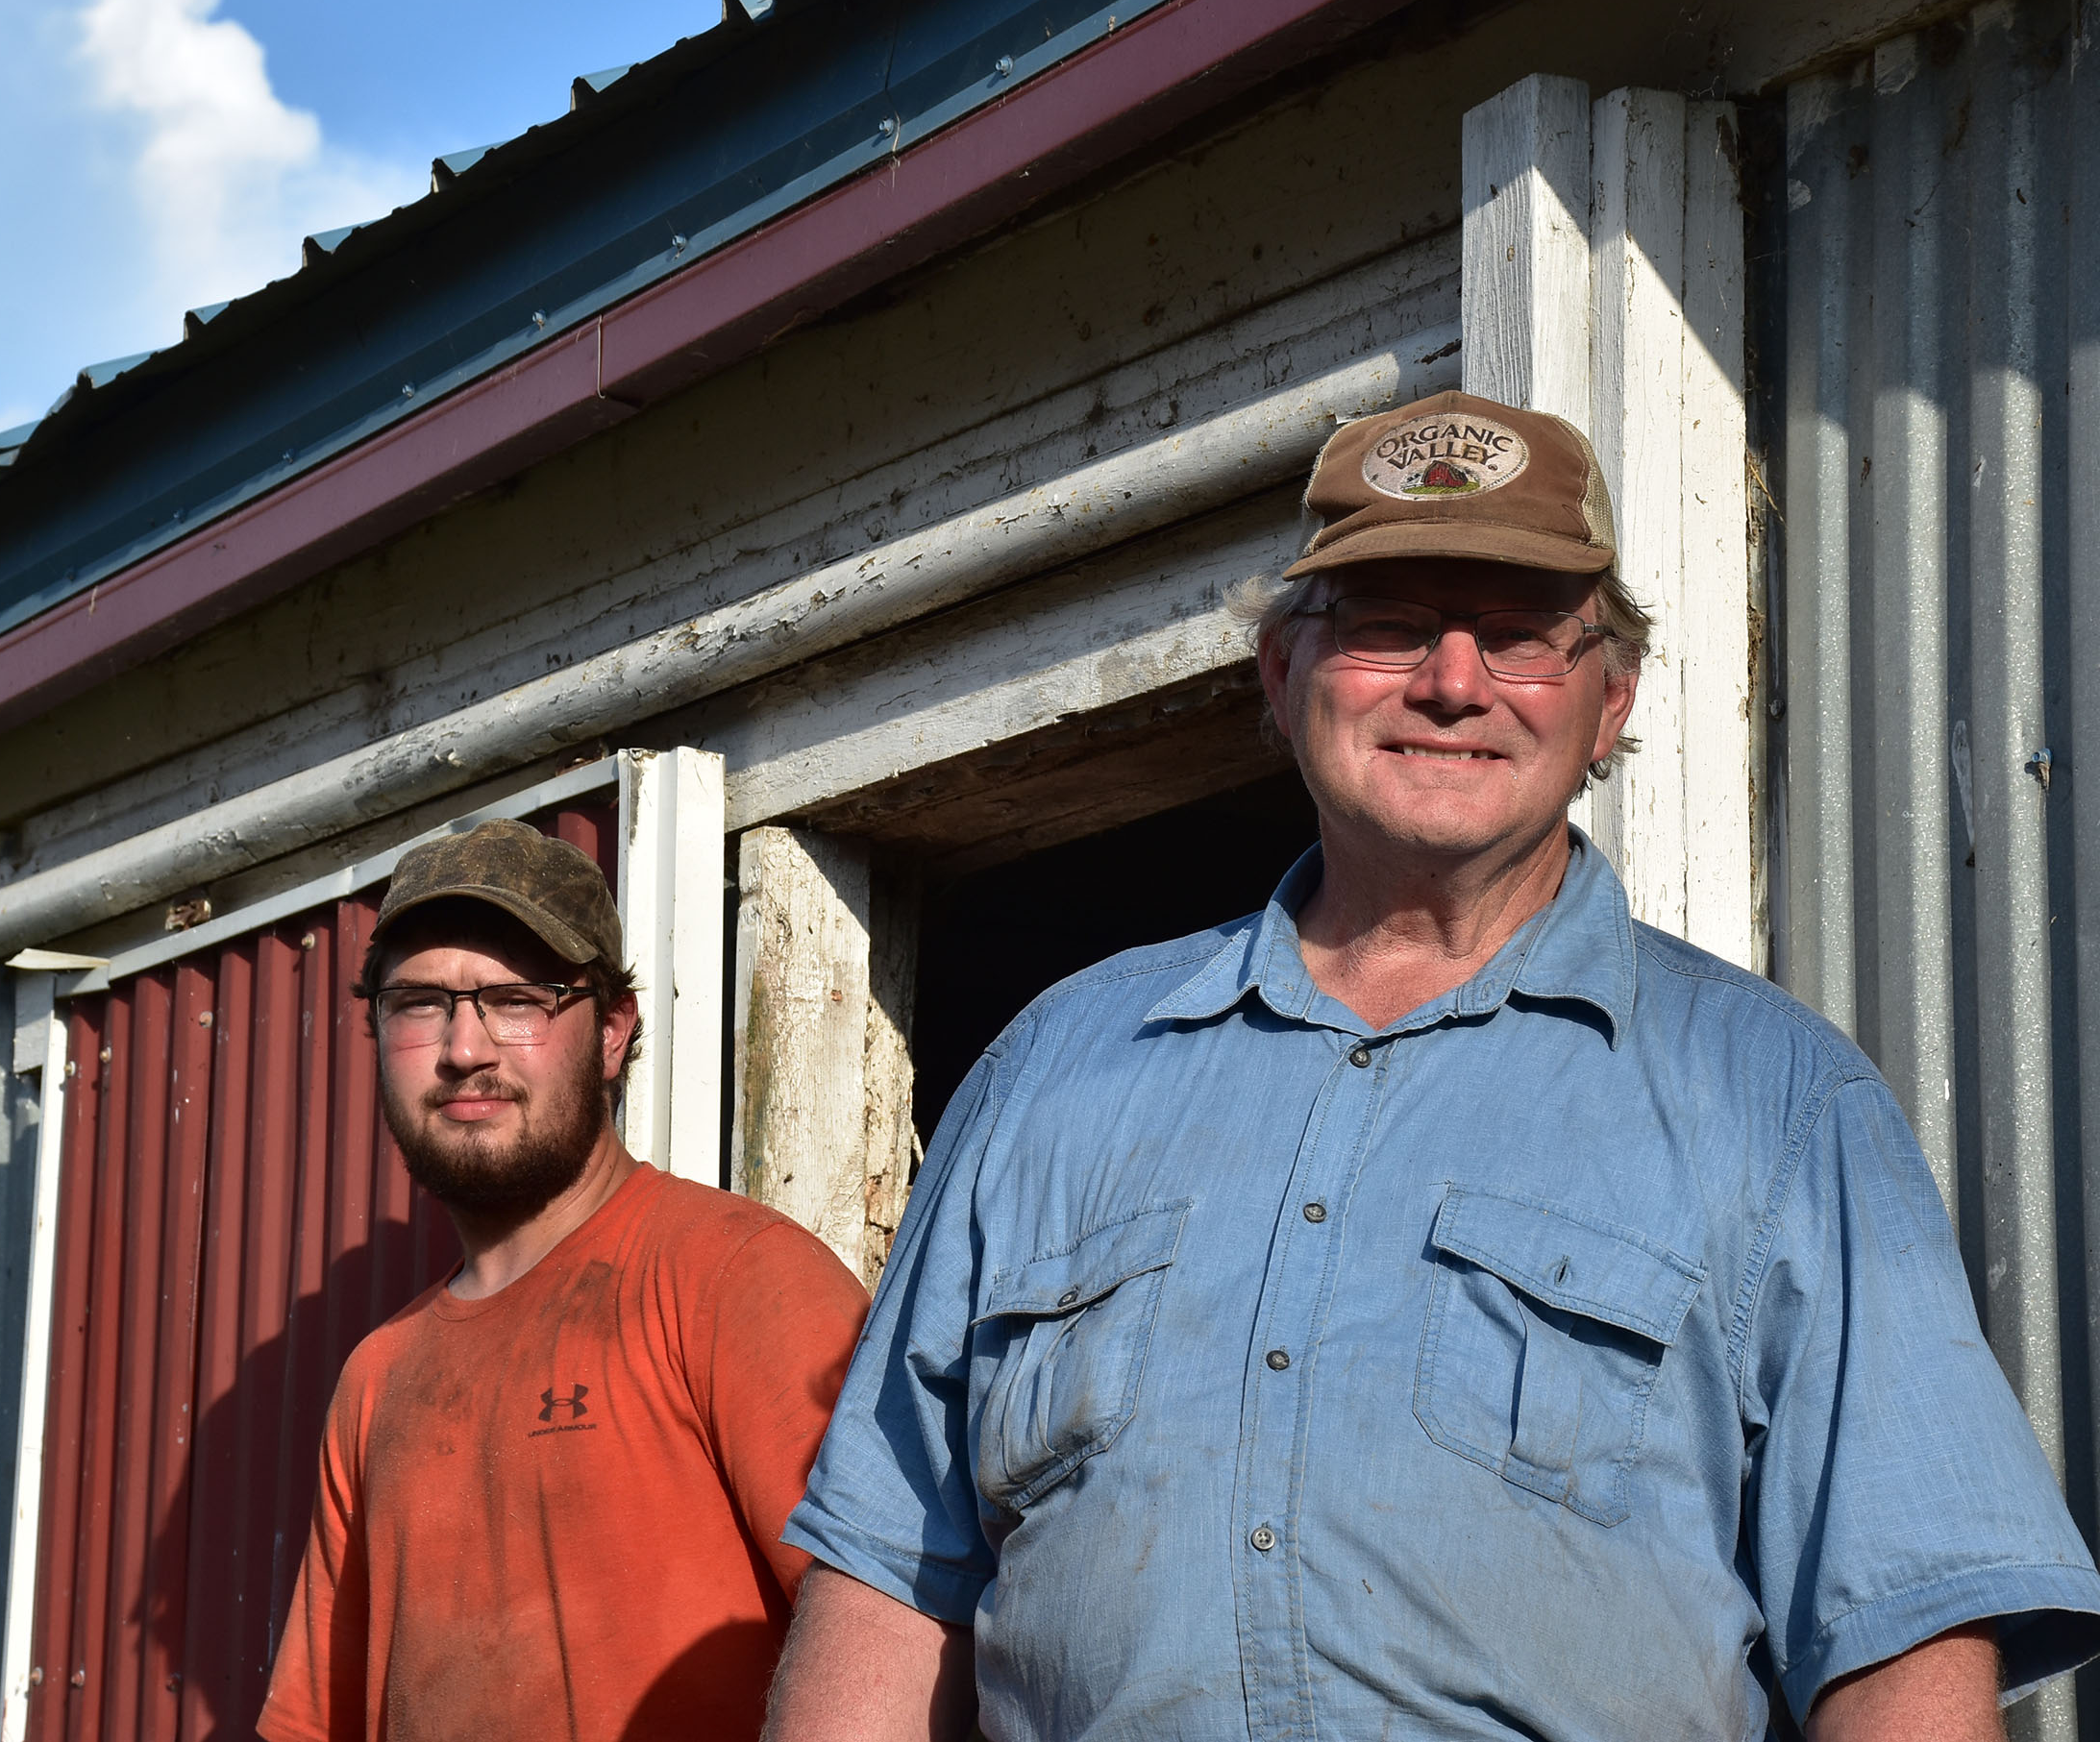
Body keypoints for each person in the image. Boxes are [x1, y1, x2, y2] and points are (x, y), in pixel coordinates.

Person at [765, 392, 2100, 1741]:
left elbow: (1899, 1648)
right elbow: (892, 1587)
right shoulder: (1052, 1069)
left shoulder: (1779, 1101)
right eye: (1390, 624)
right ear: (1282, 677)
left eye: (1519, 634)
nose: (1453, 681)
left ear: (1607, 700)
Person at [259, 817, 870, 1742]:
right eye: (419, 1003)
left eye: (518, 1000)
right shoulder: (377, 1381)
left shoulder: (738, 1281)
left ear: (614, 1030)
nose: (465, 1049)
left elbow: (890, 1641)